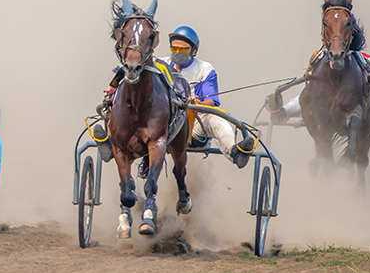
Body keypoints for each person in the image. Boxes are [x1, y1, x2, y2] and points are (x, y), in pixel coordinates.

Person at [93, 26, 255, 168]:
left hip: (194, 121)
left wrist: (199, 102)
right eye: (174, 49)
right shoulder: (159, 64)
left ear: (194, 50)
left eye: (182, 50)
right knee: (123, 112)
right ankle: (110, 144)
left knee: (218, 121)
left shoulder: (205, 69)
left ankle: (235, 152)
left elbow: (211, 101)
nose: (177, 53)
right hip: (163, 123)